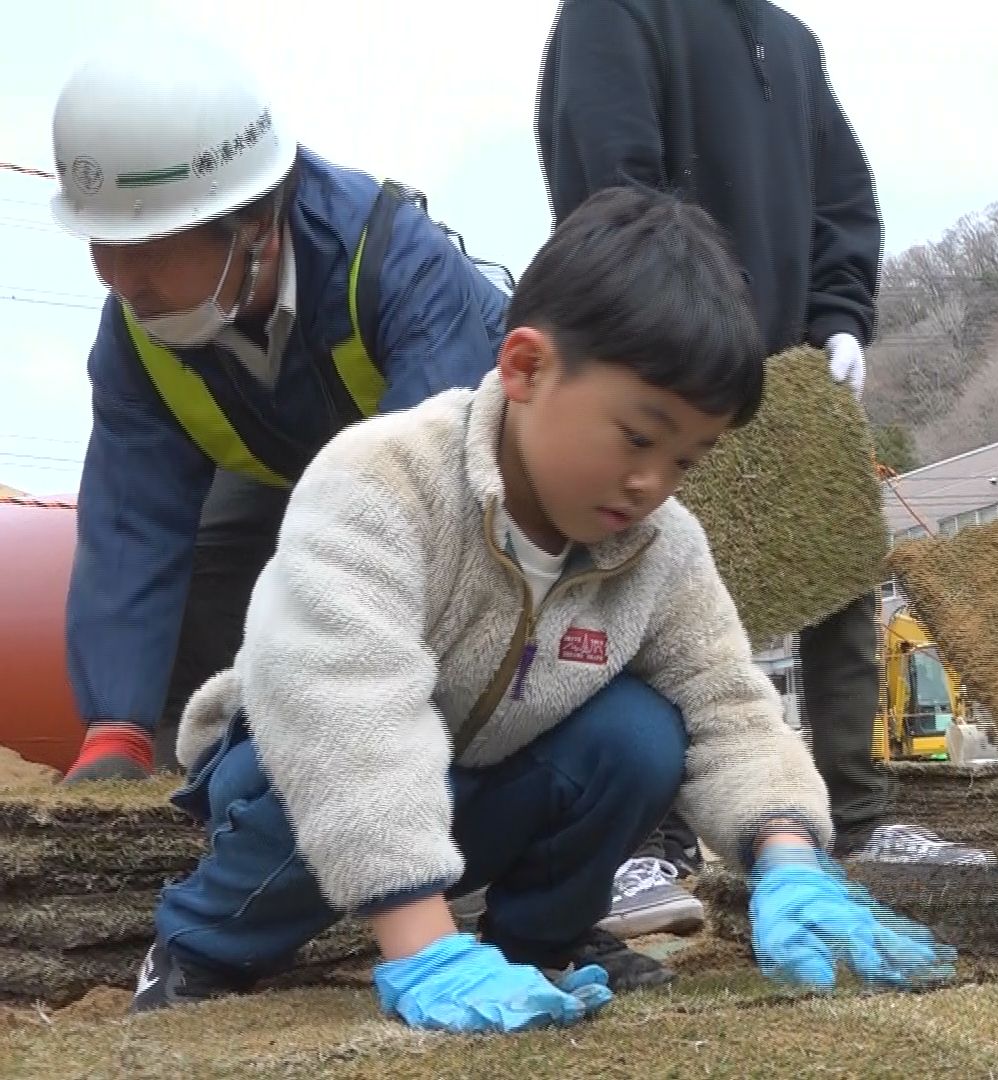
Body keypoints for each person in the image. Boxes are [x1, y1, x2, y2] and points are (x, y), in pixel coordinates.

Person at [131, 185, 955, 1029]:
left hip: (472, 776)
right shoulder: (382, 480)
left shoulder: (659, 546)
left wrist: (786, 854)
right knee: (300, 786)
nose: (652, 483)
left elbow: (728, 702)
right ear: (525, 368)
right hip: (298, 764)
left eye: (685, 460)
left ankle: (537, 945)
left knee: (639, 735)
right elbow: (349, 715)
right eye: (638, 437)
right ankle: (200, 945)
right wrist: (421, 946)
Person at [535, 0, 993, 941]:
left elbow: (841, 197)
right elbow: (614, 184)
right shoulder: (617, 14)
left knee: (842, 592)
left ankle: (854, 821)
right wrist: (680, 326)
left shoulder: (788, 40)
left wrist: (840, 317)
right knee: (647, 602)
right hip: (658, 363)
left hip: (790, 367)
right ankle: (643, 841)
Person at [48, 36, 508, 783]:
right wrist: (115, 729)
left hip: (455, 481)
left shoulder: (397, 269)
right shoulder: (137, 335)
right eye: (106, 243)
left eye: (154, 245)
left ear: (255, 224)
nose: (125, 279)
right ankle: (200, 772)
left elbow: (420, 499)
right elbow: (132, 522)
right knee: (203, 579)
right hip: (292, 473)